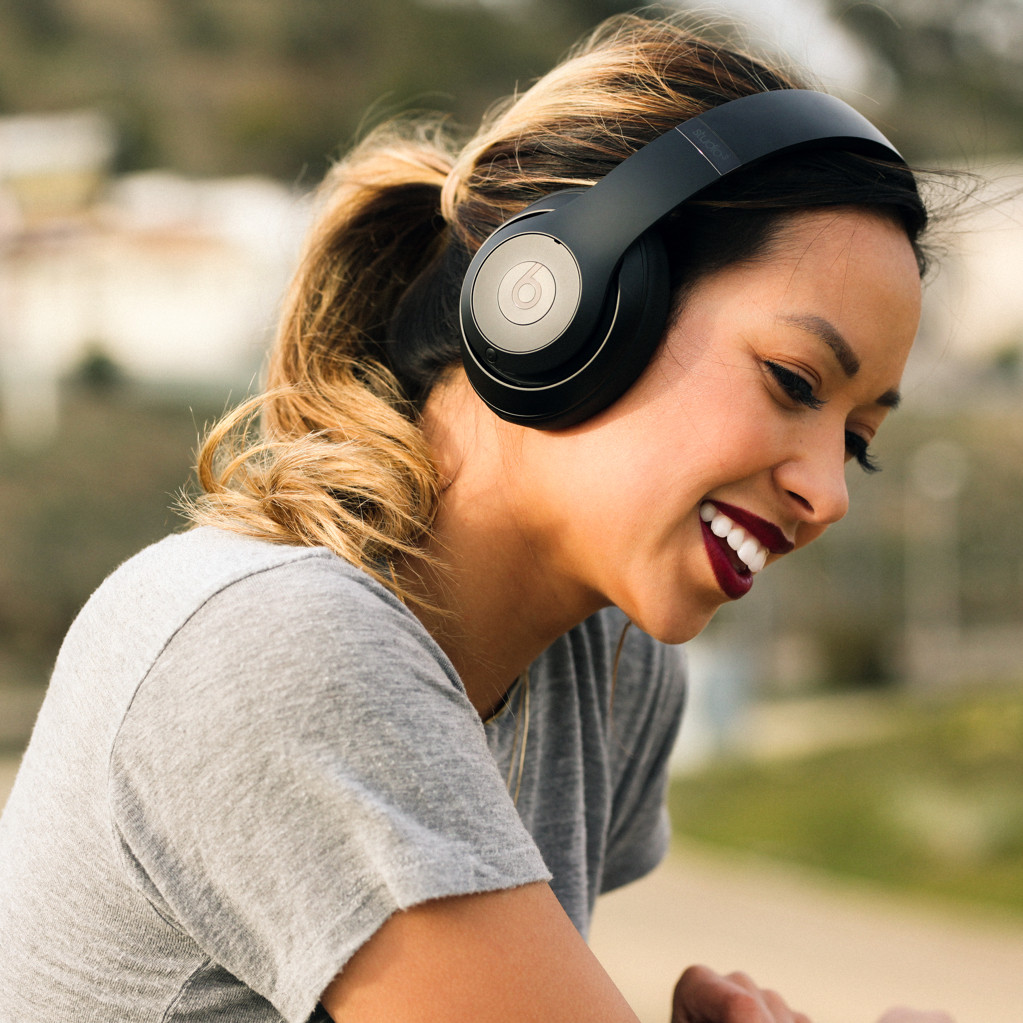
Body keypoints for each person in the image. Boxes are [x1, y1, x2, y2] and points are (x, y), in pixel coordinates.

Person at [0, 12, 957, 1023]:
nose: (830, 492)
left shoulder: (610, 669)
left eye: (857, 437)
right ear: (560, 303)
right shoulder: (273, 644)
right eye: (794, 381)